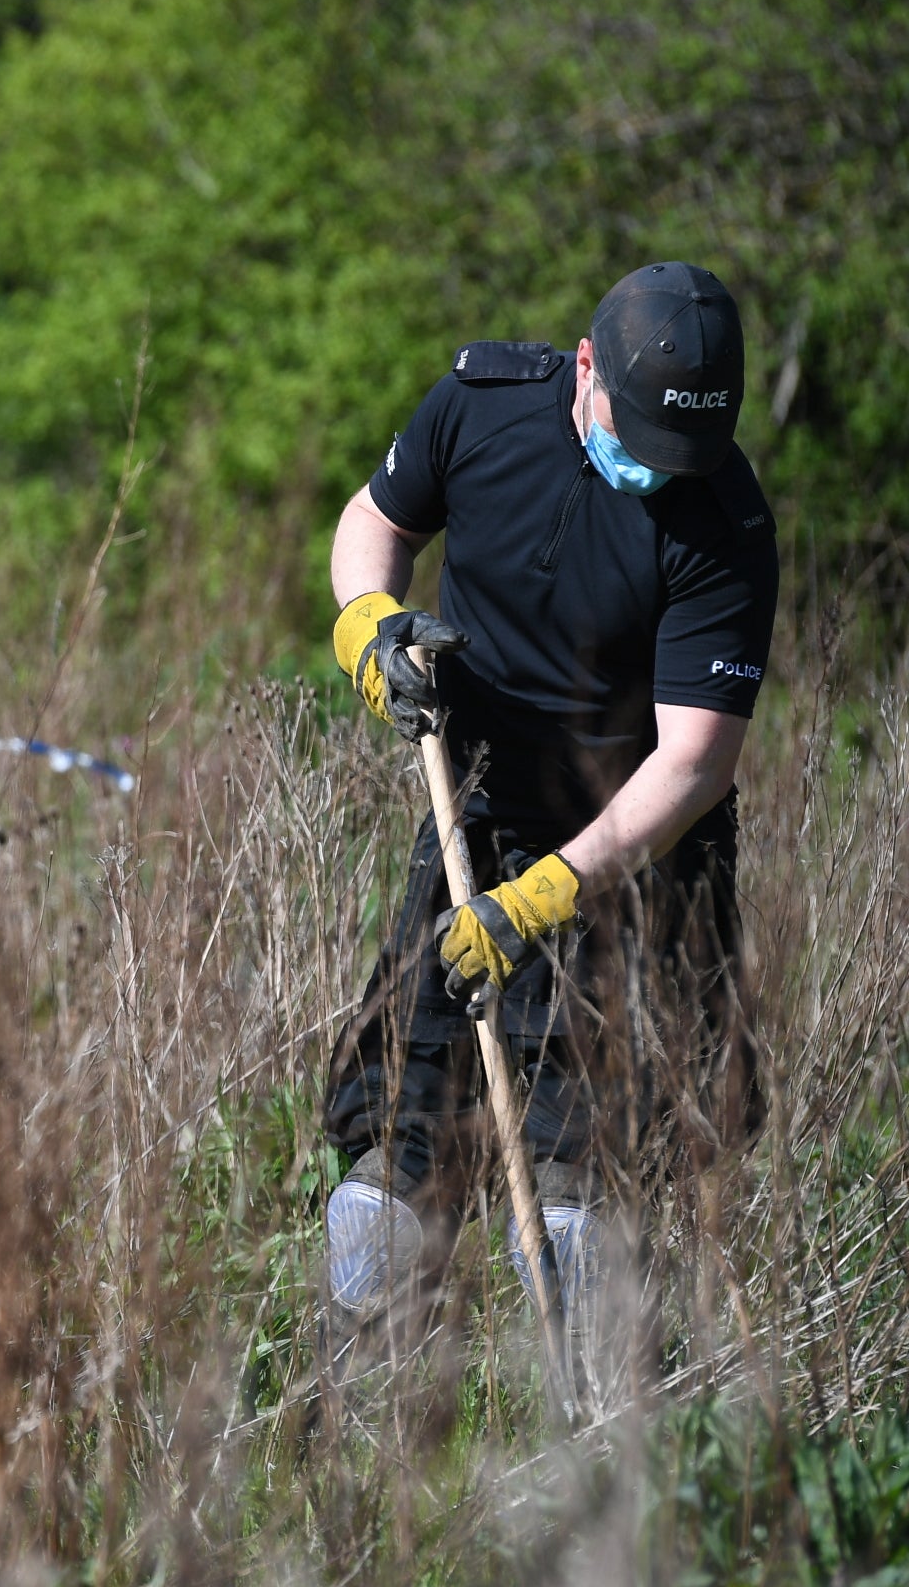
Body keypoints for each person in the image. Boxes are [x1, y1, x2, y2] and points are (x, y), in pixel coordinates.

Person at [318, 262, 778, 1398]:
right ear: (586, 370)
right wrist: (369, 630)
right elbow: (373, 522)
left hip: (634, 865)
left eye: (687, 450)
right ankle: (378, 1456)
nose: (659, 473)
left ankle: (602, 1464)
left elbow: (696, 760)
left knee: (585, 1199)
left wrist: (544, 900)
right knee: (391, 1159)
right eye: (643, 437)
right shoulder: (479, 404)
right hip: (467, 819)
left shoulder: (722, 518)